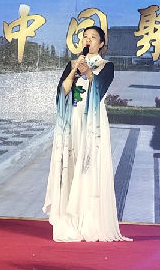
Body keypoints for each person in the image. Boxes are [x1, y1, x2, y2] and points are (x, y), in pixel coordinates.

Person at [43, 25, 131, 242]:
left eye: (93, 37)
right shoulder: (72, 64)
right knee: (71, 164)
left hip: (92, 121)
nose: (88, 40)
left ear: (101, 44)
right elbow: (62, 92)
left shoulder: (107, 66)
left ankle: (90, 221)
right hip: (72, 119)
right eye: (85, 37)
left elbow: (100, 90)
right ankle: (69, 221)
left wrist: (89, 73)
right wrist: (74, 71)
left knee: (89, 166)